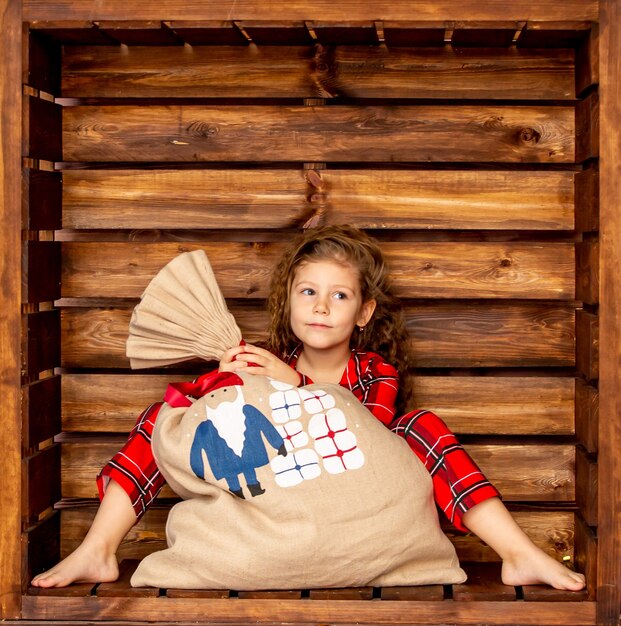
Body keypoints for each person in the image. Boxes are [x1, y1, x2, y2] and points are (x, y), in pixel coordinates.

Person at [31, 225, 585, 591]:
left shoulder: (374, 374)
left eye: (339, 295)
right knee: (165, 419)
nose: (321, 307)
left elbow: (371, 434)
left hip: (361, 511)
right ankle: (98, 547)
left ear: (364, 312)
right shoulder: (264, 363)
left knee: (422, 426)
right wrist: (220, 386)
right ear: (288, 302)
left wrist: (293, 383)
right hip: (280, 511)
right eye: (307, 293)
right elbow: (204, 428)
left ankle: (516, 551)